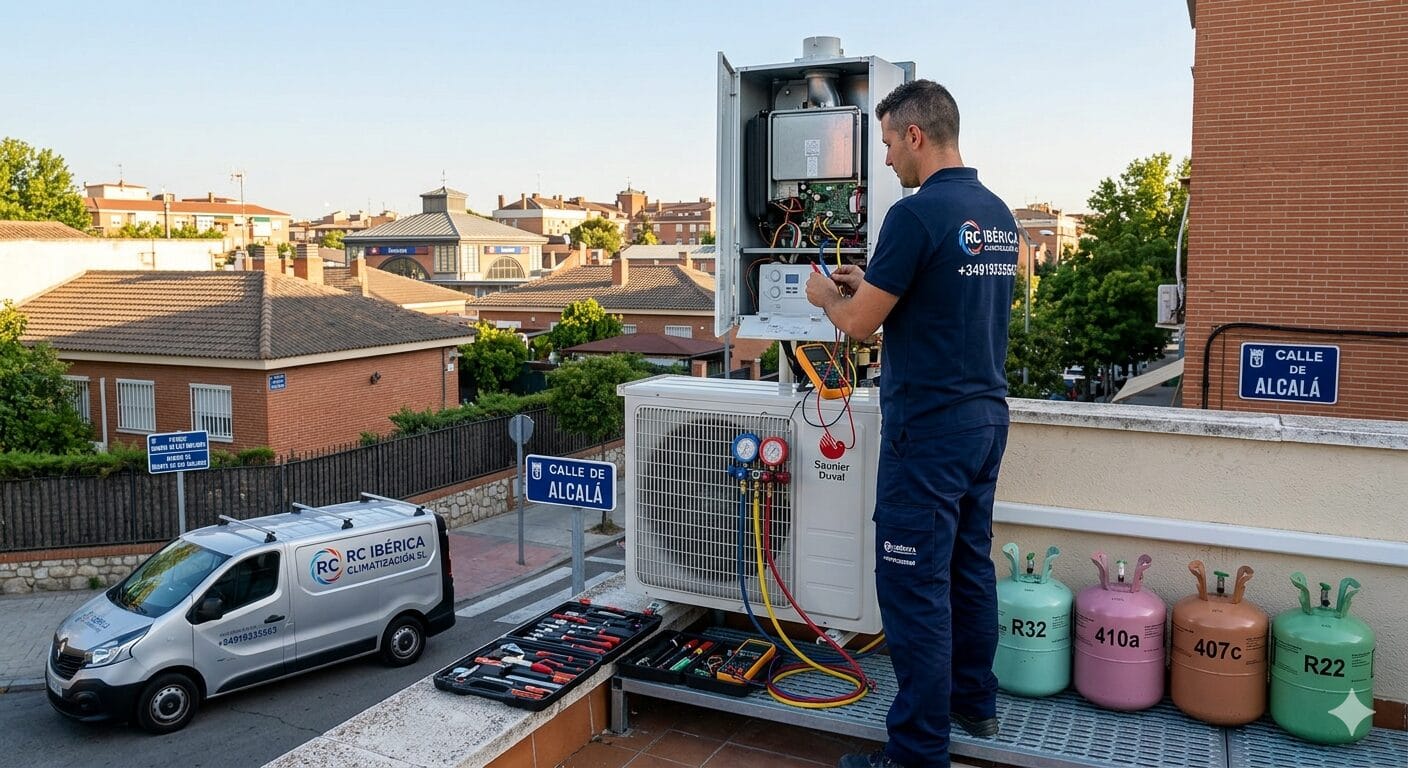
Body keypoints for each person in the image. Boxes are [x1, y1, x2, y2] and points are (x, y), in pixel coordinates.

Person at [805, 79, 1018, 768]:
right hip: (985, 420)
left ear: (917, 135)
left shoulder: (916, 214)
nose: (889, 157)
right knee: (966, 568)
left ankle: (916, 755)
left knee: (912, 587)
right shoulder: (996, 214)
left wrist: (825, 299)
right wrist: (871, 280)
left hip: (927, 430)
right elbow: (938, 294)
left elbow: (862, 327)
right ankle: (974, 704)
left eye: (891, 140)